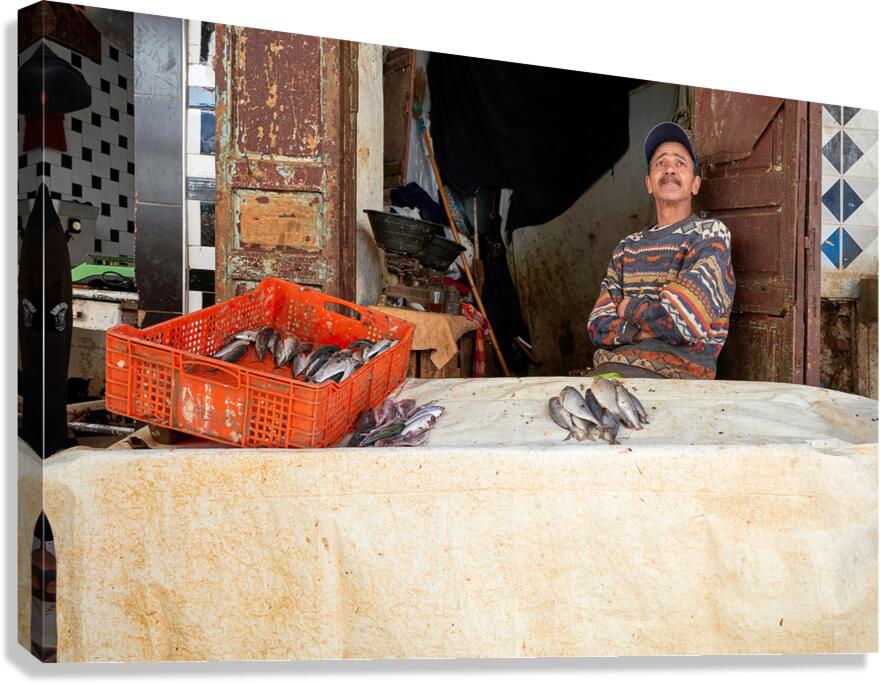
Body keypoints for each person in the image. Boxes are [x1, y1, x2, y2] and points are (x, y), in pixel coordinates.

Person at [586, 122, 735, 380]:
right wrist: (643, 328)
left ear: (695, 184)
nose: (669, 169)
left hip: (675, 381)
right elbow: (597, 325)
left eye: (680, 163)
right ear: (649, 183)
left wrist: (627, 307)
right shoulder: (626, 247)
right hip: (609, 374)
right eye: (660, 163)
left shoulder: (710, 234)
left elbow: (682, 322)